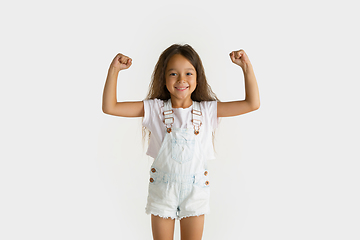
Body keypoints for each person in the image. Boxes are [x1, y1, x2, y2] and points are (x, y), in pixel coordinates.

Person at [102, 44, 260, 240]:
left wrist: (246, 67)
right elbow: (110, 107)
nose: (181, 80)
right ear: (164, 79)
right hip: (163, 191)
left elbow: (252, 103)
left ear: (197, 77)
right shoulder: (154, 109)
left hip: (195, 192)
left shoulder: (207, 111)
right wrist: (114, 70)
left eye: (188, 73)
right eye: (173, 74)